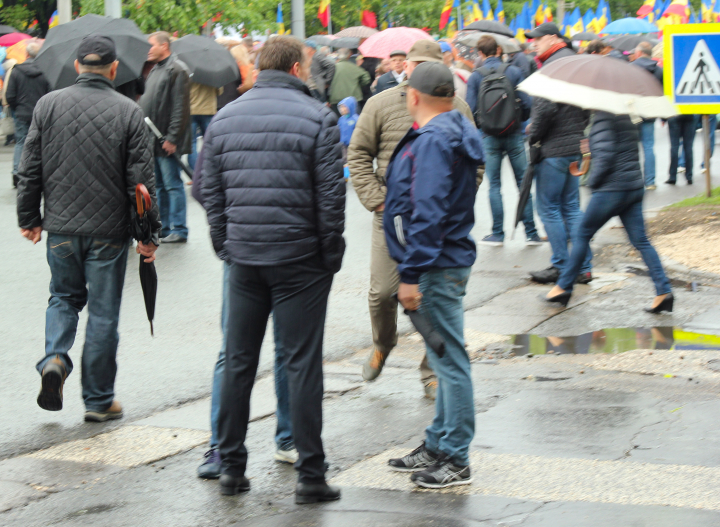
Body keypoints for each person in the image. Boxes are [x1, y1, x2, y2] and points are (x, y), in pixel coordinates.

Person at [201, 36, 345, 504]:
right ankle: (310, 474)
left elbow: (210, 191)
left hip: (245, 257)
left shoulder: (225, 118)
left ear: (260, 68)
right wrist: (329, 254)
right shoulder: (318, 119)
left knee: (238, 362)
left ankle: (231, 466)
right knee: (300, 363)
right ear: (299, 68)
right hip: (300, 259)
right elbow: (330, 197)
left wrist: (225, 243)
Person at [16, 35, 160, 422]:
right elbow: (142, 184)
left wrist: (29, 217)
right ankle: (98, 400)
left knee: (63, 298)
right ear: (114, 69)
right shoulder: (128, 111)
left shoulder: (48, 104)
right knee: (102, 313)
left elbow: (29, 169)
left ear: (78, 66)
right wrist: (149, 236)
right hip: (109, 232)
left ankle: (55, 359)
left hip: (61, 227)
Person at [348, 40, 483, 399]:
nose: (416, 70)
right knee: (383, 293)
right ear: (405, 66)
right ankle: (383, 343)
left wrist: (458, 202)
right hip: (389, 219)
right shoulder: (379, 103)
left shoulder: (457, 108)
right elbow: (358, 154)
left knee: (431, 297)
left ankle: (430, 371)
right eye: (413, 63)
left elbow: (475, 161)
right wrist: (376, 201)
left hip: (435, 221)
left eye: (426, 64)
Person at [384, 61, 482, 489]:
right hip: (444, 259)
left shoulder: (433, 140)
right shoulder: (454, 131)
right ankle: (439, 443)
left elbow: (428, 211)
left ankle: (456, 457)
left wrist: (410, 273)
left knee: (450, 360)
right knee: (443, 358)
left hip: (437, 264)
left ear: (414, 96)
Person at [190, 144, 298, 480]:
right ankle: (288, 439)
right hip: (286, 249)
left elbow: (201, 187)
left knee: (235, 353)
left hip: (247, 249)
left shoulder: (226, 121)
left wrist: (227, 233)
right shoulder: (308, 115)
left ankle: (223, 447)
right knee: (286, 350)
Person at [543, 111, 673, 313]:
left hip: (612, 189)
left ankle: (563, 287)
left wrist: (591, 183)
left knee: (581, 233)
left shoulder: (604, 120)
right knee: (641, 241)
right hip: (633, 187)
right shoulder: (626, 118)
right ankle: (664, 291)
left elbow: (605, 158)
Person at [524, 23, 592, 286]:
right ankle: (584, 268)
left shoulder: (553, 65)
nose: (533, 43)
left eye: (537, 39)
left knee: (550, 208)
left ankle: (562, 265)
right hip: (574, 144)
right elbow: (587, 104)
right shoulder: (576, 62)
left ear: (553, 38)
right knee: (572, 209)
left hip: (553, 149)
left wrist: (533, 135)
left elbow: (544, 108)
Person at [466, 35, 539, 246]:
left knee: (494, 186)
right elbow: (527, 104)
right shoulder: (514, 72)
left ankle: (497, 233)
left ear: (480, 53)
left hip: (489, 137)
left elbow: (471, 109)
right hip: (514, 134)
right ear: (499, 50)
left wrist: (483, 127)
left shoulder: (475, 77)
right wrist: (518, 121)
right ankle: (531, 232)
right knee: (522, 184)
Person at [139, 31, 191, 244]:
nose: (148, 49)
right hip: (153, 137)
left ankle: (179, 228)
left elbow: (180, 107)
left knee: (172, 185)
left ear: (164, 46)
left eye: (151, 45)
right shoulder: (155, 70)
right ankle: (165, 226)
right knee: (159, 186)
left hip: (166, 139)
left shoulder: (176, 69)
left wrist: (172, 138)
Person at [5, 41, 50, 188]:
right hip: (41, 113)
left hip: (22, 113)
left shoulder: (17, 71)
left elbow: (10, 95)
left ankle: (17, 173)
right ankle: (40, 174)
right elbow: (50, 93)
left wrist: (17, 107)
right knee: (41, 144)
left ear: (26, 54)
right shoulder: (46, 70)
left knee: (21, 143)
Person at [630, 42, 663, 190]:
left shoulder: (631, 68)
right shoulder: (659, 70)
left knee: (633, 147)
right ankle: (650, 181)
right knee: (649, 146)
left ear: (639, 53)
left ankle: (635, 180)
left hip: (635, 113)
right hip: (651, 112)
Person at [187, 81, 221, 172]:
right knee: (209, 142)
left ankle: (196, 172)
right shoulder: (213, 73)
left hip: (192, 110)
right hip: (208, 110)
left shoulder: (190, 70)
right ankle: (210, 169)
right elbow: (219, 91)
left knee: (191, 143)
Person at [328, 48, 370, 115]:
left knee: (338, 122)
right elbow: (366, 78)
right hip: (353, 98)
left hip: (336, 99)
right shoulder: (354, 67)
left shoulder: (333, 67)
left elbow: (327, 81)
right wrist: (359, 84)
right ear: (349, 55)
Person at [666, 114, 697, 185]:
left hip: (674, 114)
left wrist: (663, 118)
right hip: (689, 114)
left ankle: (672, 176)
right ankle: (689, 176)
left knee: (674, 147)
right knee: (688, 147)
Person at [338, 96, 358, 162]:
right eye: (341, 107)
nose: (342, 109)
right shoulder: (341, 119)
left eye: (344, 107)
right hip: (343, 146)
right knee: (344, 160)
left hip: (354, 145)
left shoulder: (356, 119)